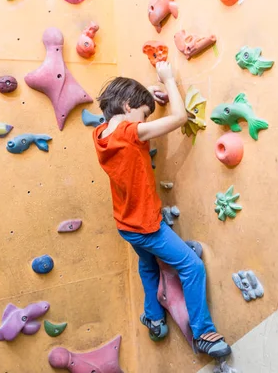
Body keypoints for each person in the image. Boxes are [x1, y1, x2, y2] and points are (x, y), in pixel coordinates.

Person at [92, 61, 232, 359]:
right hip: (147, 227)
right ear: (129, 108)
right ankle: (204, 332)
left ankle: (154, 318)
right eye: (143, 114)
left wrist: (146, 96)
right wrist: (169, 79)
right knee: (191, 267)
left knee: (148, 266)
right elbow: (181, 117)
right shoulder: (131, 133)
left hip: (125, 225)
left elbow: (120, 114)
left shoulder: (102, 134)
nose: (144, 121)